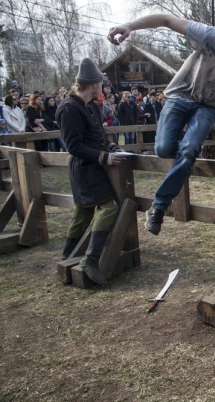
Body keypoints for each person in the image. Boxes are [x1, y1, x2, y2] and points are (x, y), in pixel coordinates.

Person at [108, 16, 215, 235]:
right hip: (179, 96)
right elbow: (166, 20)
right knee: (163, 149)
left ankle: (159, 206)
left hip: (208, 107)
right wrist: (129, 25)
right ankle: (184, 158)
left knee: (189, 150)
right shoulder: (212, 36)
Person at [56, 58, 126, 286]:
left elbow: (97, 137)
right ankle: (90, 260)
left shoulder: (91, 106)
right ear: (94, 85)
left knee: (83, 213)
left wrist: (112, 148)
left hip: (93, 166)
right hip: (84, 169)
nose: (103, 88)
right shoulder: (69, 109)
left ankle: (67, 256)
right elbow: (74, 146)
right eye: (101, 84)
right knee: (108, 208)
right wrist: (103, 156)